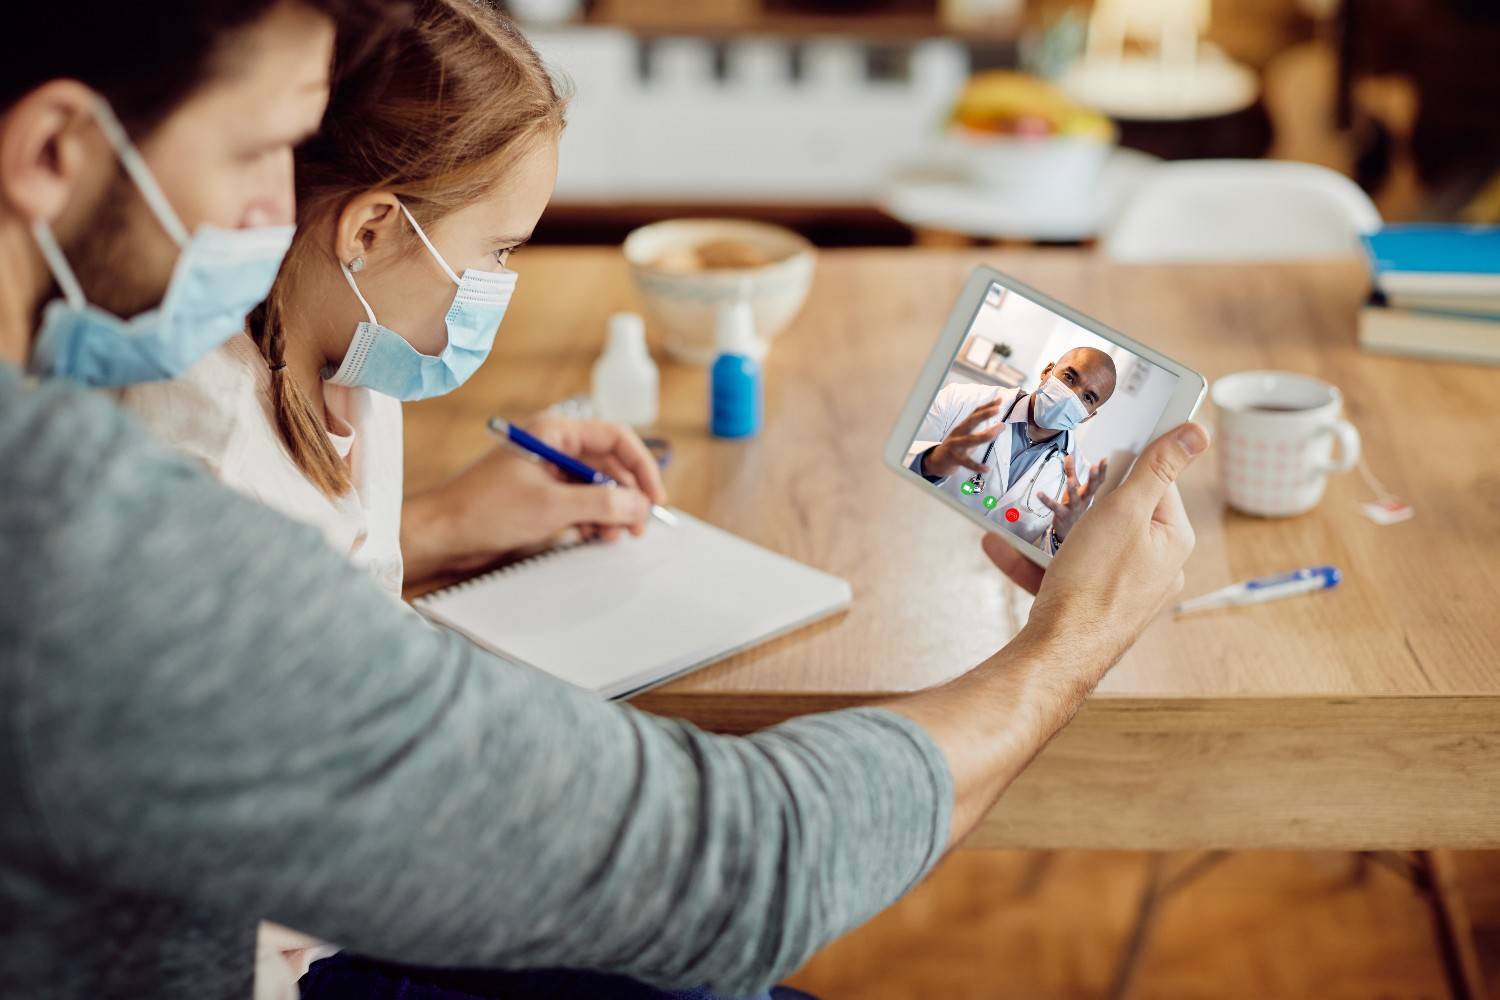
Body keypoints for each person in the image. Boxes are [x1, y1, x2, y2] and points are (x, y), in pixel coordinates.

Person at [0, 5, 1210, 1000]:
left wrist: (432, 528)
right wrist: (1073, 641)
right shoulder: (110, 543)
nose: (276, 211)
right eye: (261, 146)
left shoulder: (254, 394)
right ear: (54, 148)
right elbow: (740, 865)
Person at [118, 0, 663, 597]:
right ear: (369, 232)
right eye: (498, 251)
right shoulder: (212, 465)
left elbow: (330, 577)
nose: (503, 278)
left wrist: (455, 520)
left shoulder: (345, 342)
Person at [907, 347, 1117, 552]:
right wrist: (929, 463)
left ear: (1089, 415)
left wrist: (1061, 536)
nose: (1072, 396)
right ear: (1047, 371)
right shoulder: (960, 400)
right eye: (1070, 377)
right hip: (917, 535)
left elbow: (1048, 567)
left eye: (1088, 398)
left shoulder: (1078, 482)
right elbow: (895, 453)